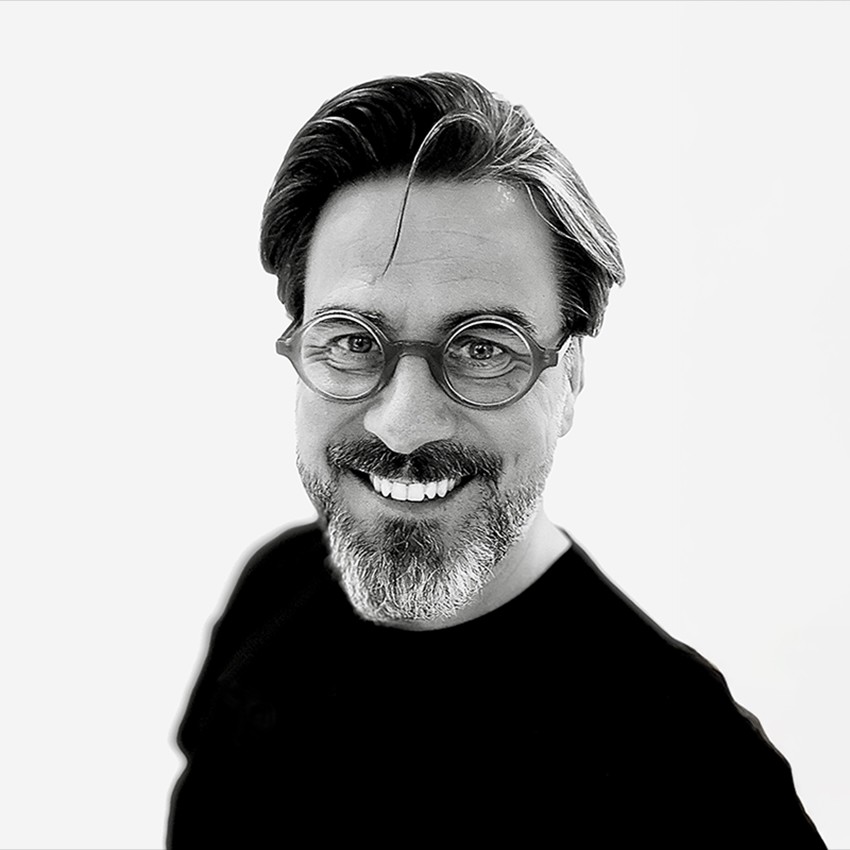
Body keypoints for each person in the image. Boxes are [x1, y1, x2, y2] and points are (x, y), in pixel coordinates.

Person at [167, 72, 825, 847]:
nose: (404, 425)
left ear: (569, 376)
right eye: (351, 340)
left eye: (483, 347)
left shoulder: (698, 783)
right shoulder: (277, 584)